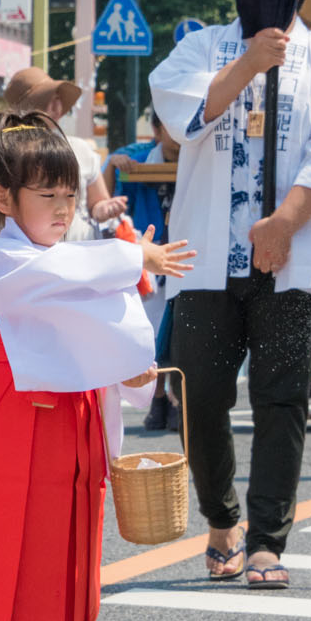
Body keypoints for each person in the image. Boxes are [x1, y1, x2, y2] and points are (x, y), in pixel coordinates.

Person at [0, 113, 192, 621]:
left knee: (73, 530)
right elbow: (63, 277)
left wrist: (126, 368)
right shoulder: (4, 258)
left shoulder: (78, 256)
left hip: (73, 409)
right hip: (11, 409)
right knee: (11, 532)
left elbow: (98, 327)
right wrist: (134, 259)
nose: (62, 208)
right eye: (47, 195)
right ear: (4, 197)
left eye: (70, 195)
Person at [150, 0, 311, 588]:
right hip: (204, 258)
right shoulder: (202, 46)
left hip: (291, 255)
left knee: (281, 400)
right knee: (200, 396)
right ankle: (222, 519)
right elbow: (178, 117)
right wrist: (249, 63)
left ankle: (268, 539)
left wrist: (284, 224)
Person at [106, 110, 181, 431]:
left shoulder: (201, 151)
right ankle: (158, 399)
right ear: (156, 129)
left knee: (181, 333)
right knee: (149, 332)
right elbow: (109, 198)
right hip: (149, 257)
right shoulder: (136, 156)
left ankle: (178, 400)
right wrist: (113, 164)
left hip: (185, 255)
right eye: (171, 126)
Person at [3, 66, 125, 241]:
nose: (56, 106)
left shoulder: (80, 149)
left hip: (80, 251)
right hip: (27, 254)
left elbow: (97, 202)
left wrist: (105, 208)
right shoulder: (6, 154)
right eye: (46, 100)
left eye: (58, 99)